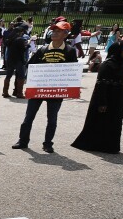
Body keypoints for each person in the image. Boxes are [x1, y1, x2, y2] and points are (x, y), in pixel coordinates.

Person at [12, 21, 78, 153]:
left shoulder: (70, 51)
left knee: (52, 119)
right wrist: (27, 80)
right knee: (28, 117)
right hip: (38, 89)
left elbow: (73, 71)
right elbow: (31, 66)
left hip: (56, 91)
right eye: (53, 30)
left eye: (58, 31)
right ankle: (23, 141)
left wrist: (70, 88)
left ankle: (48, 144)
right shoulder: (43, 49)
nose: (54, 33)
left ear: (65, 34)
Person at [71, 41, 123, 154]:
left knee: (115, 121)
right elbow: (101, 85)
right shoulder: (107, 64)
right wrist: (102, 102)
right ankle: (95, 144)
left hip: (119, 99)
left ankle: (110, 146)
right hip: (107, 97)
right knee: (100, 121)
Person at [3, 22, 29, 98]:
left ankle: (5, 92)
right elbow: (23, 49)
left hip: (10, 59)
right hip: (18, 60)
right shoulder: (20, 39)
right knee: (21, 76)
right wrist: (27, 45)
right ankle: (19, 93)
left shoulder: (10, 39)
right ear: (20, 32)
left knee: (8, 76)